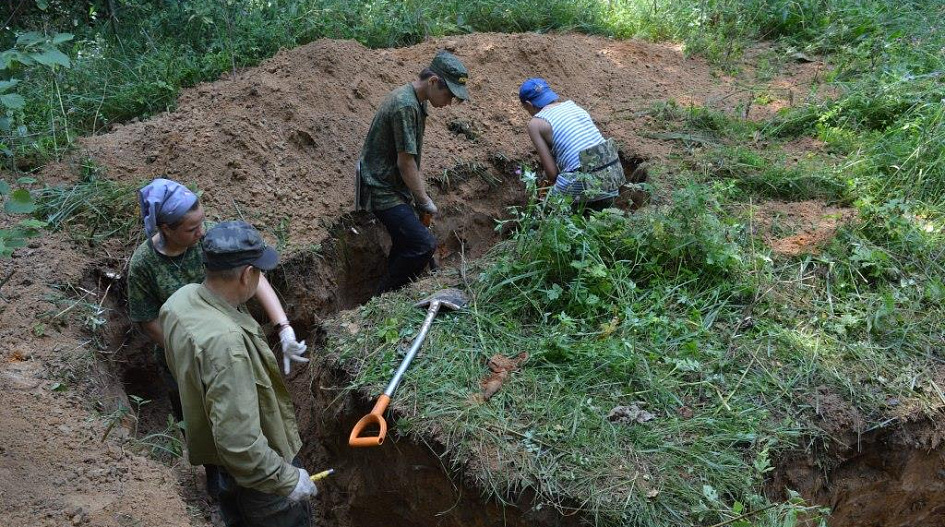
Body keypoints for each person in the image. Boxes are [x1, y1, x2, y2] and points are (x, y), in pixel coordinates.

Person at [160, 221, 317, 527]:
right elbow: (240, 443)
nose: (260, 277)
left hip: (221, 467)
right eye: (258, 271)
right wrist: (286, 479)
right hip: (261, 484)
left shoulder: (181, 301)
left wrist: (283, 329)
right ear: (247, 274)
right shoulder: (227, 345)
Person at [127, 178, 309, 417]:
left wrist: (283, 326)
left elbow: (253, 273)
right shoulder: (143, 265)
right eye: (192, 229)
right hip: (185, 359)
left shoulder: (213, 238)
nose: (201, 231)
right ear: (166, 228)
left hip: (235, 338)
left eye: (202, 222)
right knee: (200, 419)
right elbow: (148, 321)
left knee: (254, 408)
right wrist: (196, 351)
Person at [356, 50, 470, 293]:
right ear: (432, 82)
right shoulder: (405, 105)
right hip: (381, 189)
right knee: (423, 244)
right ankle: (380, 298)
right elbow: (405, 163)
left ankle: (395, 292)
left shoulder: (416, 101)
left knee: (406, 244)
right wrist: (424, 200)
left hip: (393, 187)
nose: (449, 102)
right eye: (448, 94)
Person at [518, 78, 625, 212]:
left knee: (543, 213)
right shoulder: (573, 106)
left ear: (528, 104)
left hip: (582, 179)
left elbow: (552, 173)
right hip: (612, 174)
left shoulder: (535, 123)